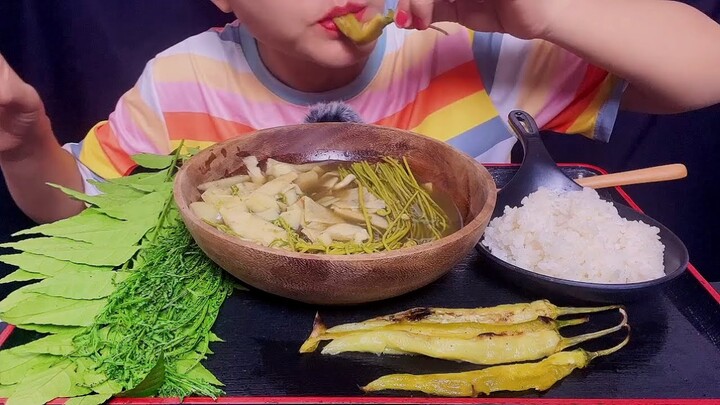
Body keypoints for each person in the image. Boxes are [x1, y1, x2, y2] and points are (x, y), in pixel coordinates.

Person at [1, 0, 719, 224]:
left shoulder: (468, 51)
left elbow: (704, 68)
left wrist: (544, 12)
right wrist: (27, 144)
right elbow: (81, 212)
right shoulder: (180, 83)